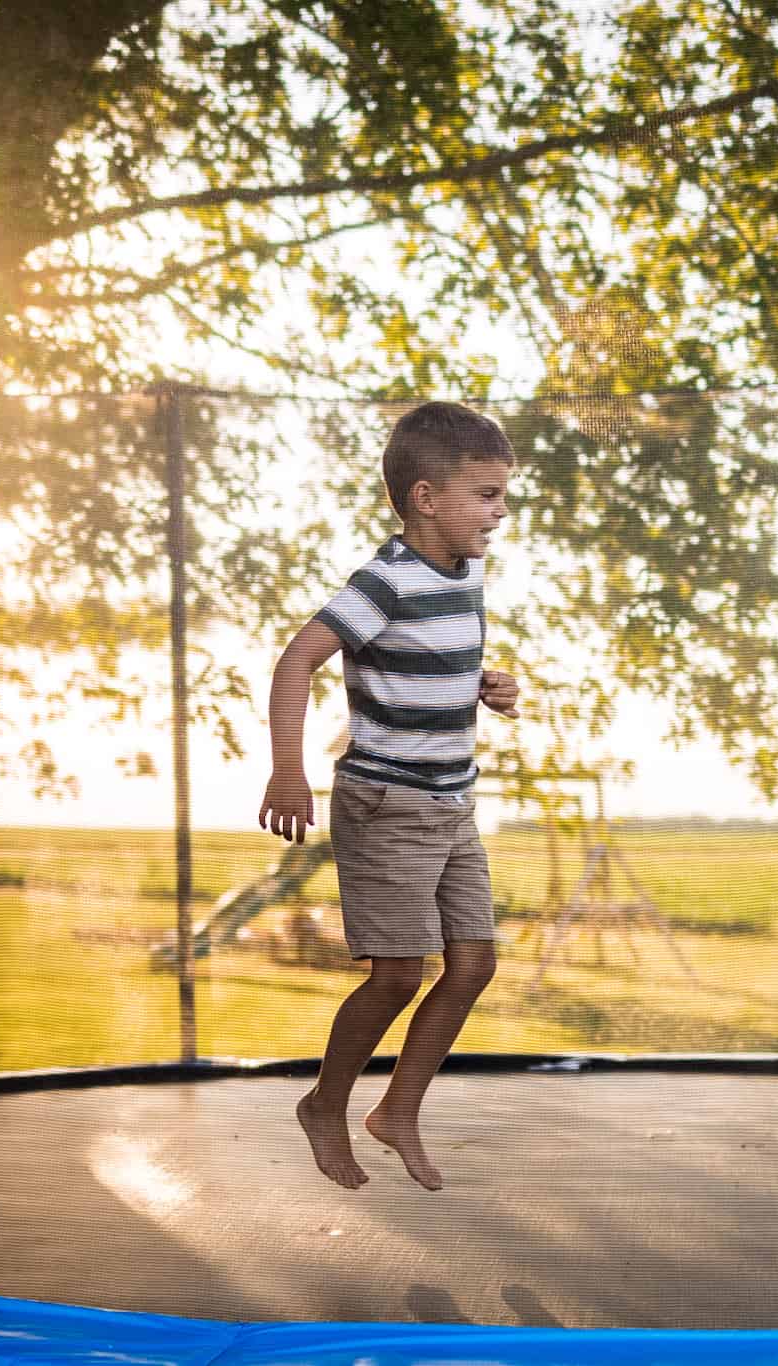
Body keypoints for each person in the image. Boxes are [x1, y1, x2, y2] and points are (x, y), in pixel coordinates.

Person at [258, 400, 520, 1192]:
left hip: (451, 803)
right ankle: (324, 1104)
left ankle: (397, 1110)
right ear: (424, 497)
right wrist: (286, 770)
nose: (500, 514)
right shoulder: (383, 580)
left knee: (473, 964)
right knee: (400, 974)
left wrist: (483, 685)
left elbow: (424, 660)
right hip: (387, 804)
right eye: (485, 496)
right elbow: (296, 661)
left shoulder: (466, 571)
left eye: (504, 496)